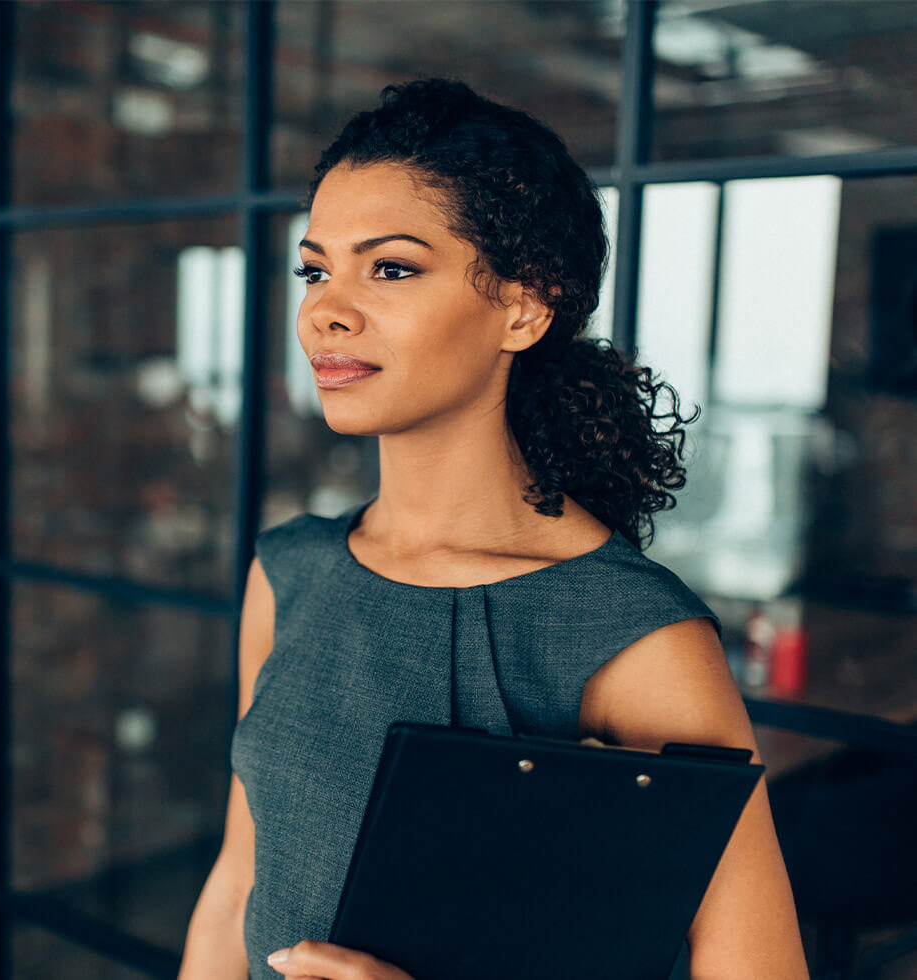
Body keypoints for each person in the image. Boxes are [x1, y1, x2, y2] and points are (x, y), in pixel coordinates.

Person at [179, 77, 810, 980]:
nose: (325, 308)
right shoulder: (291, 573)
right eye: (316, 268)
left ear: (524, 305)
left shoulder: (631, 636)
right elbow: (236, 886)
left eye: (390, 268)